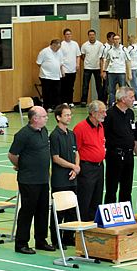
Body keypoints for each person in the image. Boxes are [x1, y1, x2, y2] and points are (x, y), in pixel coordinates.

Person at [8, 106, 54, 254]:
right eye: (44, 116)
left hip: (42, 179)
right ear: (35, 118)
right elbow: (12, 154)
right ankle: (21, 243)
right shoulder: (23, 135)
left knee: (42, 210)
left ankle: (41, 240)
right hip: (28, 180)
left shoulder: (44, 131)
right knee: (27, 211)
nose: (47, 118)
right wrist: (21, 166)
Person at [48, 104, 79, 247]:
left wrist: (76, 167)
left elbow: (76, 152)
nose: (69, 117)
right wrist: (72, 166)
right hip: (60, 180)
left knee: (71, 211)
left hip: (72, 178)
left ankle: (68, 237)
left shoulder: (71, 134)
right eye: (66, 115)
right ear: (58, 117)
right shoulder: (54, 136)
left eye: (70, 115)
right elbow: (56, 158)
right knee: (58, 212)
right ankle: (56, 239)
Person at [73, 101, 106, 222]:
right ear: (93, 113)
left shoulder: (101, 126)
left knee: (97, 199)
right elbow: (75, 150)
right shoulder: (80, 128)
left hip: (99, 167)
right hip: (87, 168)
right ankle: (81, 228)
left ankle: (94, 227)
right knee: (85, 199)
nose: (105, 114)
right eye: (102, 112)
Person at [103, 87, 135, 204]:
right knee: (112, 188)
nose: (133, 99)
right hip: (115, 156)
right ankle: (110, 214)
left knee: (127, 188)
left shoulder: (130, 113)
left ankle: (126, 215)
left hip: (129, 155)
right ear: (122, 99)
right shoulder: (110, 115)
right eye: (131, 97)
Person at [37, 39, 65, 111]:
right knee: (47, 92)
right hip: (46, 76)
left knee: (57, 92)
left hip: (56, 76)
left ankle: (57, 107)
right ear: (53, 45)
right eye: (57, 47)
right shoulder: (44, 52)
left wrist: (62, 72)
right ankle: (47, 107)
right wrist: (47, 69)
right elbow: (38, 63)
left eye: (59, 47)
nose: (58, 49)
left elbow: (61, 63)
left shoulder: (60, 52)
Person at [102, 33, 130, 106]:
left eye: (118, 39)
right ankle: (111, 105)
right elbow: (107, 60)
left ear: (120, 40)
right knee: (111, 91)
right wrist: (104, 71)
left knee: (122, 90)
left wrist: (129, 73)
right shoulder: (109, 49)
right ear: (113, 40)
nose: (116, 40)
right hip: (111, 72)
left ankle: (123, 104)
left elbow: (128, 61)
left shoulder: (124, 49)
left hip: (121, 72)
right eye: (115, 39)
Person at [80, 29, 104, 105]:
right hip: (87, 67)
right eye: (90, 35)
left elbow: (101, 57)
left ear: (95, 35)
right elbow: (82, 56)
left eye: (93, 35)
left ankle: (101, 100)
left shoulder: (100, 45)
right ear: (88, 36)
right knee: (85, 85)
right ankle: (84, 101)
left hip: (97, 68)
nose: (92, 36)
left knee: (99, 86)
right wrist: (87, 62)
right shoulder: (84, 45)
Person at [60, 28, 81, 107]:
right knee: (64, 86)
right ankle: (64, 101)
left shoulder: (75, 44)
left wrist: (77, 64)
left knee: (71, 86)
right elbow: (59, 57)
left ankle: (70, 101)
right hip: (65, 69)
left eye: (70, 34)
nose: (69, 36)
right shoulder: (62, 44)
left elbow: (78, 55)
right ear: (64, 35)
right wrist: (62, 69)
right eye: (67, 34)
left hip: (73, 69)